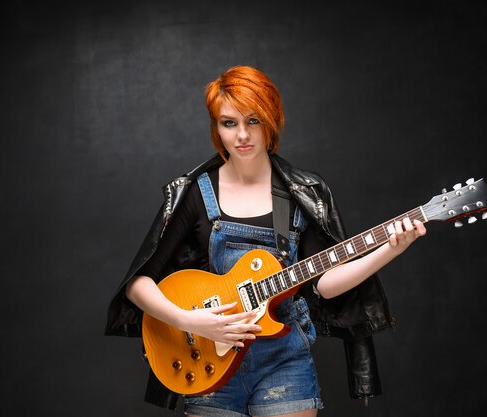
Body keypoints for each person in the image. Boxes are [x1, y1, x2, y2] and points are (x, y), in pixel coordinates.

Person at [105, 65, 426, 417]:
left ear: (271, 120)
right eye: (229, 123)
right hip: (212, 358)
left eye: (253, 121)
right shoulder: (196, 193)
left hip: (284, 361)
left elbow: (325, 285)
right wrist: (191, 322)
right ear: (217, 128)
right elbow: (137, 284)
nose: (242, 135)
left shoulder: (302, 193)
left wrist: (390, 249)